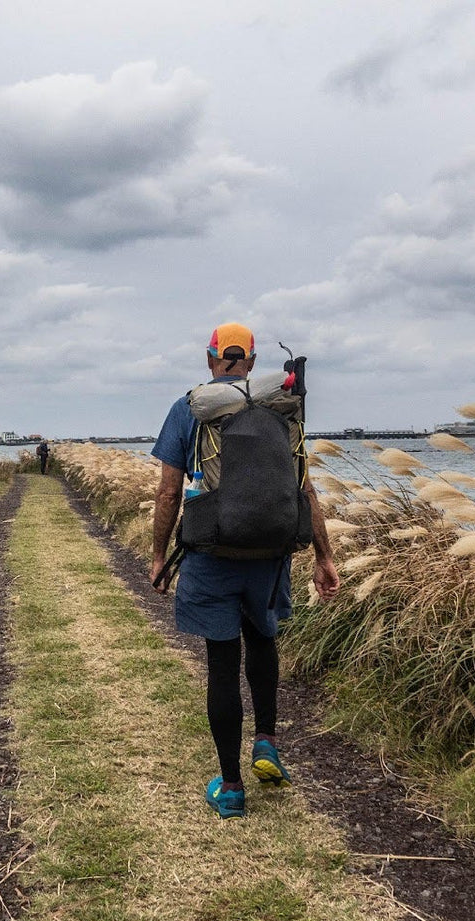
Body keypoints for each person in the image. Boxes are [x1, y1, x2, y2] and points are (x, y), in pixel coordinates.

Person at [149, 323, 340, 819]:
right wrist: (323, 555)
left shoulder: (191, 406)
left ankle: (231, 788)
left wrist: (157, 556)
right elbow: (304, 488)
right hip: (271, 553)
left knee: (220, 664)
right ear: (253, 363)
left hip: (213, 554)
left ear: (211, 358)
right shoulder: (279, 406)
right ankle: (267, 743)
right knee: (263, 642)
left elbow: (169, 492)